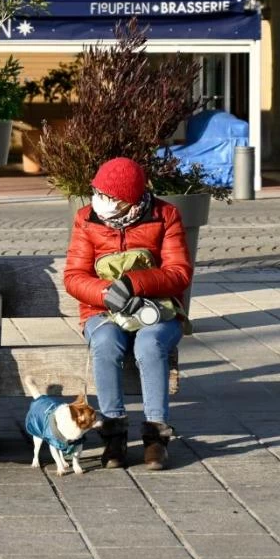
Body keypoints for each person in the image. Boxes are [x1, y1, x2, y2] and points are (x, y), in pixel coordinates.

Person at [63, 157, 192, 471]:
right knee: (106, 341)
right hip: (102, 310)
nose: (100, 202)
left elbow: (179, 272)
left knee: (150, 344)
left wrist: (135, 283)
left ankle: (155, 437)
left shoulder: (165, 215)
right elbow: (73, 276)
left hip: (157, 310)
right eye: (98, 192)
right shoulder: (86, 218)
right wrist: (107, 294)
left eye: (110, 197)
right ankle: (114, 435)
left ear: (130, 200)